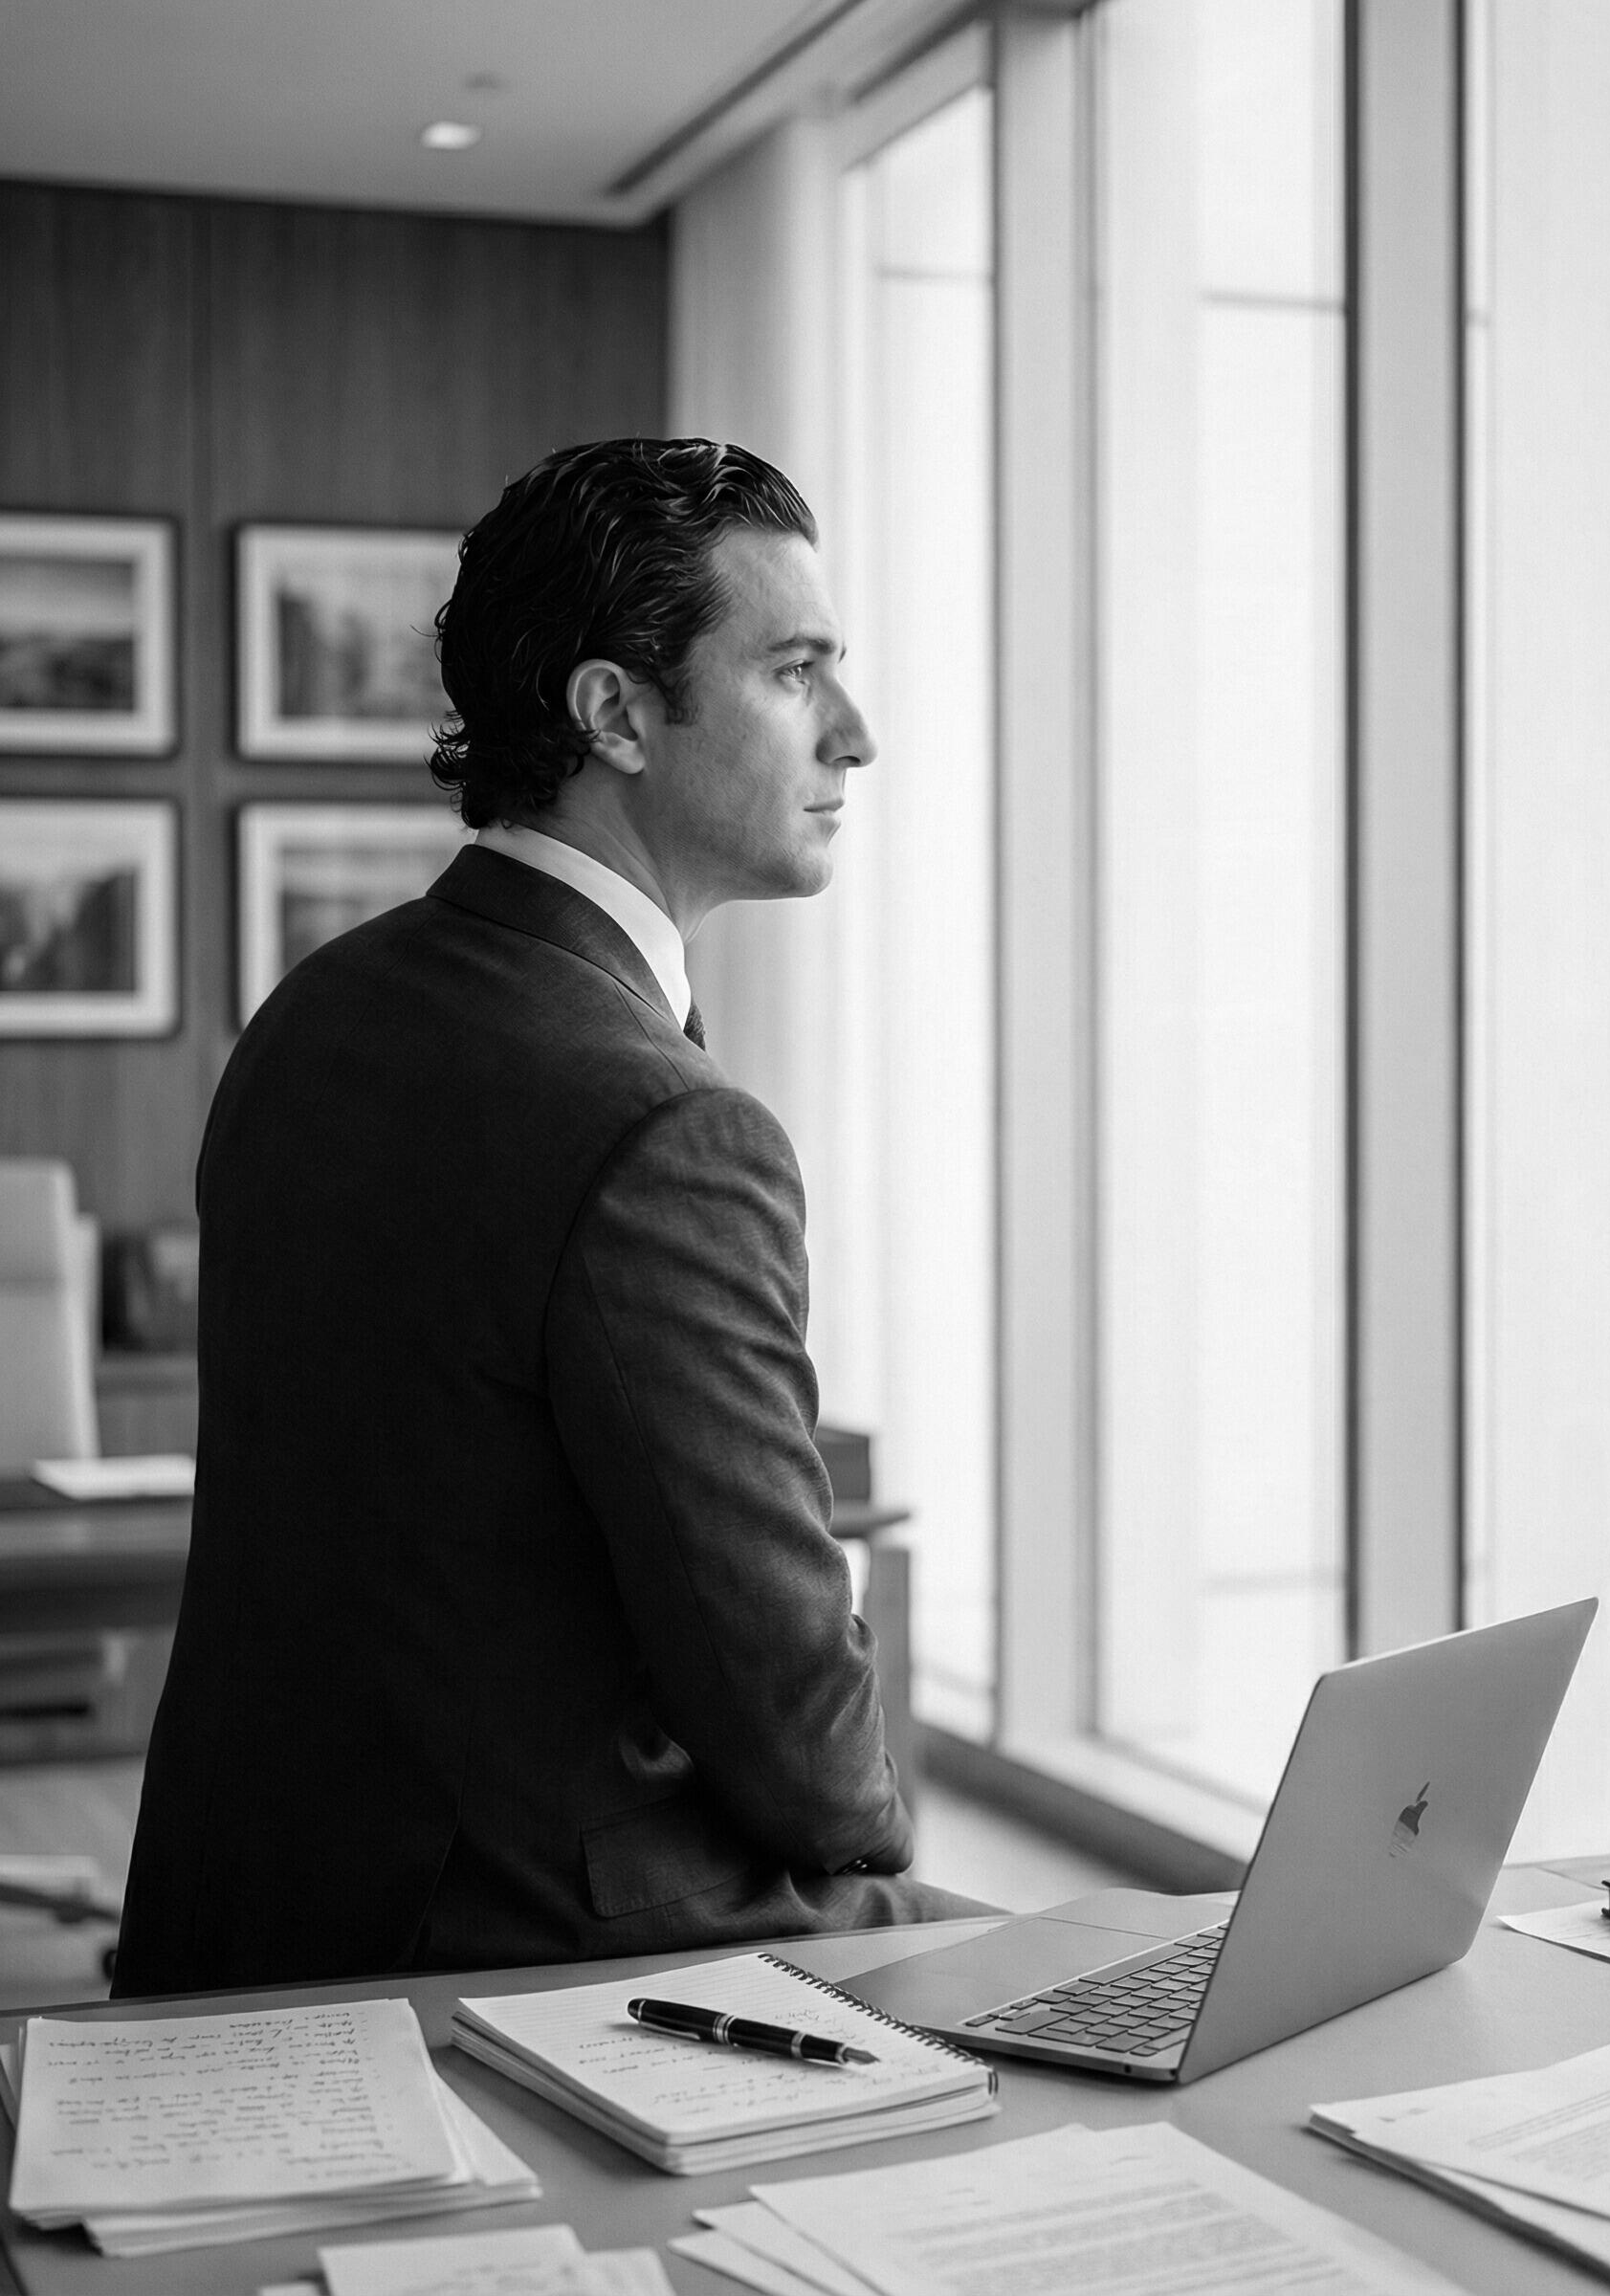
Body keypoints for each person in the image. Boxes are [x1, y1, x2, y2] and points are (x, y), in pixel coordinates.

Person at [113, 439, 981, 1996]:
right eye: (796, 672)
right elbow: (810, 1765)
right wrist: (872, 1829)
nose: (856, 734)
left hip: (236, 1910)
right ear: (614, 714)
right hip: (529, 1958)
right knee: (1099, 1983)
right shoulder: (667, 1127)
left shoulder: (317, 1012)